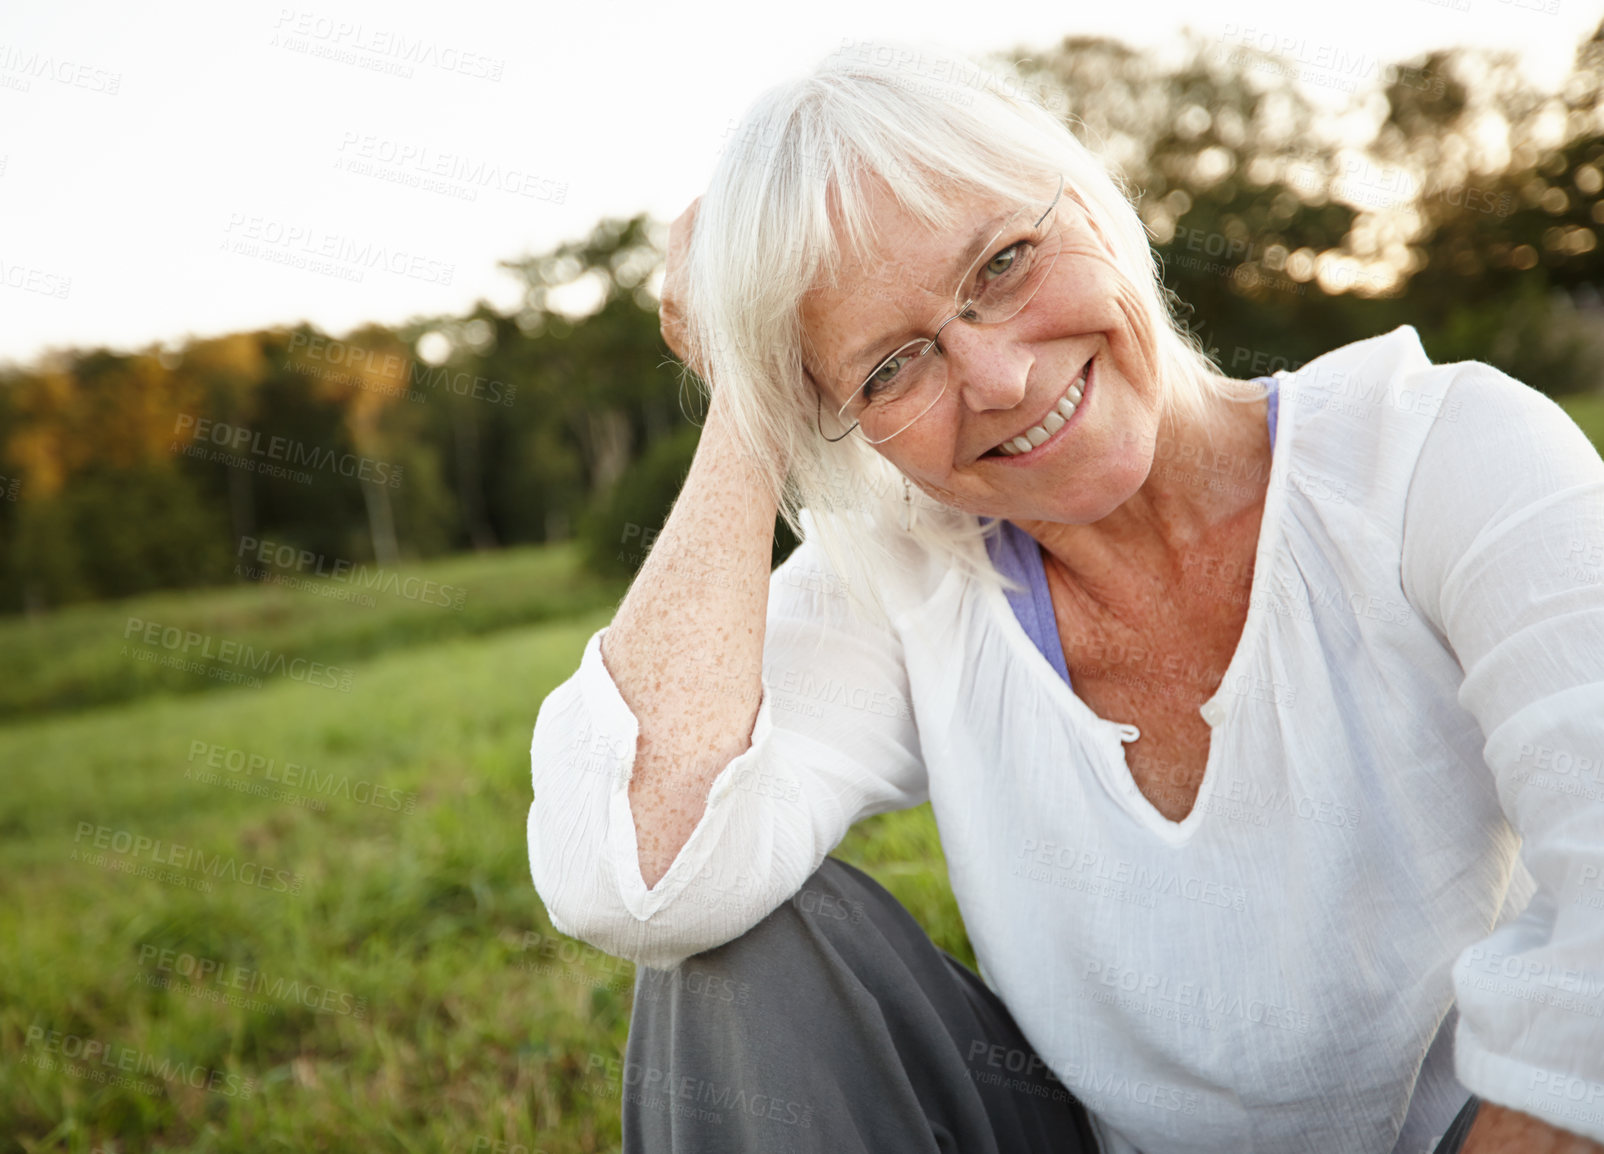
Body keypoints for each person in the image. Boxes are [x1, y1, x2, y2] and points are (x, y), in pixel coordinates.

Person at [527, 40, 1604, 1154]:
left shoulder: (1438, 452)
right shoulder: (909, 574)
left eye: (1000, 263)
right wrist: (745, 395)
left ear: (1093, 200)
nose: (995, 379)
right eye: (889, 366)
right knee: (734, 955)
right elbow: (639, 875)